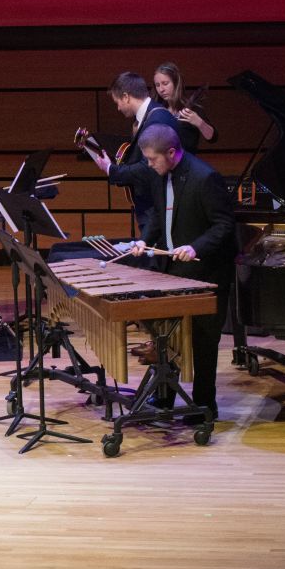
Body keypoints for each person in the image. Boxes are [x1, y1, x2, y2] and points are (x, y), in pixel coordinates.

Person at [130, 124, 236, 424]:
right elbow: (158, 215)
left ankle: (204, 406)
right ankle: (164, 399)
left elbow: (224, 225)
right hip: (172, 271)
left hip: (205, 273)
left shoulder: (205, 178)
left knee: (203, 342)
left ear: (171, 152)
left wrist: (195, 246)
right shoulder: (159, 175)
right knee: (166, 338)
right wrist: (144, 240)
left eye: (152, 159)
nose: (149, 164)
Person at [89, 72, 179, 237]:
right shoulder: (151, 117)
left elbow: (149, 168)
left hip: (156, 208)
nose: (118, 108)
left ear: (126, 97)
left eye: (117, 102)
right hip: (153, 207)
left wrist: (110, 169)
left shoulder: (156, 119)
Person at [153, 62, 217, 154]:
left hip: (185, 160)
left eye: (165, 83)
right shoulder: (159, 109)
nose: (161, 89)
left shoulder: (193, 109)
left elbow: (213, 138)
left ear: (176, 83)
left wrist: (199, 123)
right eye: (157, 85)